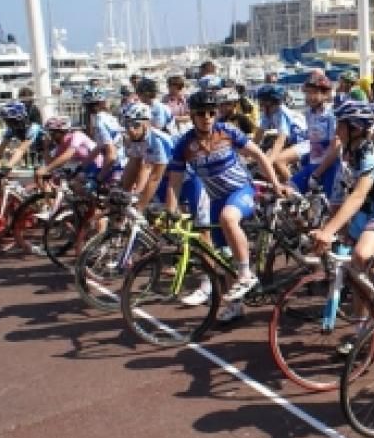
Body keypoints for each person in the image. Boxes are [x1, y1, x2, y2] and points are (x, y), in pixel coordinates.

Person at [166, 89, 282, 322]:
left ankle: (246, 274)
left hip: (242, 191)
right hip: (216, 200)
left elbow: (259, 155)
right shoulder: (185, 144)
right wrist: (170, 211)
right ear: (192, 115)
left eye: (212, 112)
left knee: (228, 218)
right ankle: (235, 306)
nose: (207, 117)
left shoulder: (227, 131)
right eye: (201, 113)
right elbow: (175, 182)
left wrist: (276, 185)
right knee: (224, 256)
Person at [309, 100, 374, 347]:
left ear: (356, 128)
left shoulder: (372, 153)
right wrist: (326, 227)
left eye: (341, 125)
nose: (336, 129)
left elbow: (359, 194)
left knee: (362, 255)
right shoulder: (347, 152)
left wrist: (329, 231)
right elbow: (341, 194)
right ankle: (361, 329)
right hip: (362, 214)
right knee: (354, 269)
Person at [288, 71, 340, 202]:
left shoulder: (331, 115)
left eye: (315, 93)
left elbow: (335, 148)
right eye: (308, 93)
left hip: (330, 167)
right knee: (289, 191)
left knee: (330, 206)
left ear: (325, 94)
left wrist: (317, 173)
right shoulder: (309, 113)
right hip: (313, 163)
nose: (310, 97)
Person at [119, 102, 172, 207]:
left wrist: (139, 206)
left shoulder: (157, 140)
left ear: (147, 124)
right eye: (127, 125)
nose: (131, 130)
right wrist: (122, 193)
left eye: (136, 125)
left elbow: (155, 177)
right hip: (165, 179)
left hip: (184, 180)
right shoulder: (137, 138)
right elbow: (133, 165)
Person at [255, 84, 306, 179]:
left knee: (277, 161)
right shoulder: (268, 113)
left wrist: (269, 162)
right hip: (292, 142)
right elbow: (259, 134)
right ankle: (280, 181)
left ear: (269, 102)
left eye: (261, 102)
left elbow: (280, 140)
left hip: (305, 142)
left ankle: (293, 185)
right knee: (267, 154)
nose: (259, 105)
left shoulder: (282, 114)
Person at [35, 116, 101, 188]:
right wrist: (46, 148)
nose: (50, 135)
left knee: (74, 184)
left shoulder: (77, 135)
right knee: (55, 178)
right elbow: (52, 163)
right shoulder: (62, 145)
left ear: (61, 131)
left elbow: (68, 154)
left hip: (97, 165)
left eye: (52, 132)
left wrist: (46, 169)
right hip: (84, 167)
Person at [0, 101, 46, 172]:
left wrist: (8, 166)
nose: (8, 124)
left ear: (20, 118)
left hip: (48, 152)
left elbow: (21, 149)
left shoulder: (34, 128)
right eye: (7, 121)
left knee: (40, 173)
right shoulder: (12, 129)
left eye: (10, 121)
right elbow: (0, 148)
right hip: (41, 153)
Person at [82, 86, 126, 186]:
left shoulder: (100, 122)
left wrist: (98, 179)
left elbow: (112, 155)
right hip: (119, 163)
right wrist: (82, 166)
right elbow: (100, 147)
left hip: (116, 166)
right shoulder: (108, 118)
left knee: (84, 187)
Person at [162, 70, 191, 135]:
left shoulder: (186, 99)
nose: (168, 88)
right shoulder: (165, 99)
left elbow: (190, 116)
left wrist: (176, 119)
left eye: (169, 86)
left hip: (186, 127)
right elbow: (164, 116)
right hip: (170, 129)